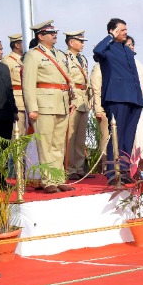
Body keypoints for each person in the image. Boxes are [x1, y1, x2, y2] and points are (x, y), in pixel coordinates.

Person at [22, 20, 75, 192]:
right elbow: (28, 83)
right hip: (44, 104)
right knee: (45, 144)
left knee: (58, 144)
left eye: (55, 32)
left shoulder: (60, 55)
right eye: (50, 33)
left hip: (61, 103)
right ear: (40, 36)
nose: (54, 35)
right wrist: (32, 108)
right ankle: (48, 180)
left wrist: (71, 100)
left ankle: (58, 177)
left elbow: (67, 79)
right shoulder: (33, 55)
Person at [93, 18, 143, 184]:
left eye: (125, 30)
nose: (125, 33)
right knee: (117, 134)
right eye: (121, 30)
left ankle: (125, 170)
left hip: (133, 98)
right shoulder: (107, 47)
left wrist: (139, 98)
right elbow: (97, 51)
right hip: (117, 97)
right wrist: (109, 37)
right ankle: (113, 172)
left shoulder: (127, 50)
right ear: (113, 31)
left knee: (128, 136)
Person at [63, 31, 94, 180]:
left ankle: (80, 168)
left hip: (83, 99)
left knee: (81, 137)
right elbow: (67, 80)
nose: (83, 44)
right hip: (74, 99)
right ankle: (69, 169)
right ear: (71, 42)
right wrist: (71, 100)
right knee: (70, 137)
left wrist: (89, 99)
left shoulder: (82, 58)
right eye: (80, 41)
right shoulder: (65, 58)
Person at [2, 33, 27, 137]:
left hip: (27, 102)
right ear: (17, 45)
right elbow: (5, 84)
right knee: (17, 135)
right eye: (23, 43)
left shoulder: (26, 59)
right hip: (17, 102)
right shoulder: (7, 61)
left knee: (26, 136)